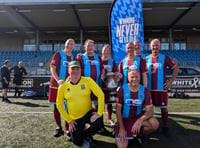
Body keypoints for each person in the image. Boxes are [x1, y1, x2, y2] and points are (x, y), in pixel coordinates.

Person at [56, 61, 105, 147]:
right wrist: (69, 120)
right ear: (68, 70)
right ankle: (84, 135)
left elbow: (100, 94)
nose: (75, 71)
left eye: (77, 68)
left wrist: (99, 113)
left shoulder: (88, 80)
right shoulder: (63, 86)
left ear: (80, 70)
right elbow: (59, 104)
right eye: (73, 69)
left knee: (98, 122)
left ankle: (87, 136)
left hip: (88, 113)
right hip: (75, 118)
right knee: (76, 141)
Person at [115, 70, 159, 148]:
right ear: (128, 78)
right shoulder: (122, 89)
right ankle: (122, 131)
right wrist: (121, 128)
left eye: (136, 77)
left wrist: (140, 120)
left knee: (154, 123)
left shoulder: (145, 91)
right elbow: (118, 110)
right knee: (122, 146)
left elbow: (150, 111)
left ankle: (140, 135)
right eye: (132, 77)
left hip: (138, 118)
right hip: (125, 120)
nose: (134, 79)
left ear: (140, 77)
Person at [144, 39, 179, 137]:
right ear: (150, 47)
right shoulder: (145, 59)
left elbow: (176, 68)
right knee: (147, 110)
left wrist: (170, 81)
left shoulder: (165, 58)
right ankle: (148, 127)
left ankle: (165, 127)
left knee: (163, 109)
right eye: (153, 45)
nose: (155, 47)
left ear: (159, 47)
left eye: (157, 45)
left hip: (161, 89)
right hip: (148, 90)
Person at [48, 38, 75, 139]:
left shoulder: (72, 56)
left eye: (72, 44)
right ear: (65, 44)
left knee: (68, 107)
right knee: (57, 106)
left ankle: (67, 129)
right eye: (68, 43)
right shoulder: (58, 54)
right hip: (56, 85)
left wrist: (69, 77)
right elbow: (52, 68)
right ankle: (58, 127)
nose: (70, 46)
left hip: (67, 86)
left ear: (74, 46)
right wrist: (58, 80)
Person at [76, 39, 104, 105]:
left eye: (91, 46)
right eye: (88, 46)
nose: (90, 47)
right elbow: (76, 69)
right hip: (83, 85)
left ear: (94, 47)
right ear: (85, 47)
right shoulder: (80, 57)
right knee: (84, 104)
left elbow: (102, 69)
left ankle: (97, 115)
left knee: (97, 103)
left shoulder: (98, 57)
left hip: (96, 83)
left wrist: (102, 75)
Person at [101, 44, 122, 126]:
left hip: (110, 86)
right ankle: (99, 120)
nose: (106, 52)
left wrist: (117, 76)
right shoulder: (98, 60)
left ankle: (109, 118)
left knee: (109, 103)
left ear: (109, 52)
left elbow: (116, 71)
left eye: (107, 50)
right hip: (100, 84)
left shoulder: (112, 61)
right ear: (102, 51)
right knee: (99, 103)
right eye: (104, 50)